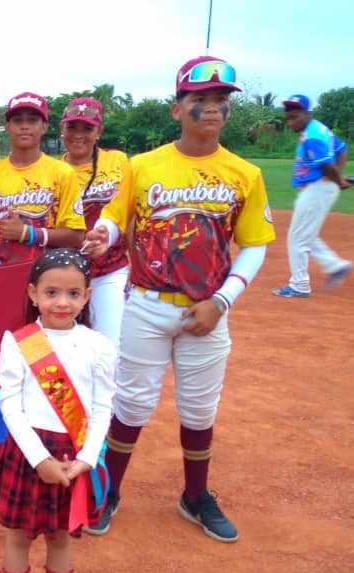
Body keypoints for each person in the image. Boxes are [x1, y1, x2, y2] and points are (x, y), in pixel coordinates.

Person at [84, 56, 276, 542]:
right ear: (177, 109)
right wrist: (105, 233)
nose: (211, 109)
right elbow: (114, 213)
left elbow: (254, 244)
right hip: (147, 303)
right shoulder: (143, 165)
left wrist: (224, 300)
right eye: (200, 101)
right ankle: (109, 491)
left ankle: (195, 496)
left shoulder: (244, 173)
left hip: (208, 308)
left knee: (199, 409)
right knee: (131, 403)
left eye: (220, 102)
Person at [0, 249, 116, 573]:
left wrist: (87, 457)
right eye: (52, 292)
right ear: (33, 293)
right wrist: (40, 460)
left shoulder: (98, 345)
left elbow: (102, 408)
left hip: (74, 455)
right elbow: (10, 405)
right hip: (30, 453)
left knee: (61, 536)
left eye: (73, 293)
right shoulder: (19, 342)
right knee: (19, 534)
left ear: (87, 297)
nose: (62, 302)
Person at [0, 93, 86, 266]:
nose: (24, 126)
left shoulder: (62, 172)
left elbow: (76, 235)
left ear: (44, 126)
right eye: (18, 120)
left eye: (32, 120)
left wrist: (27, 234)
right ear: (7, 126)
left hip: (48, 269)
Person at [59, 97, 132, 347]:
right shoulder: (53, 170)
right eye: (72, 127)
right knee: (66, 345)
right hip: (65, 273)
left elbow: (128, 211)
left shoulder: (118, 162)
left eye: (87, 129)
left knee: (109, 346)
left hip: (109, 269)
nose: (78, 135)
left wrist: (138, 266)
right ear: (62, 129)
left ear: (98, 132)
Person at [272, 94, 351, 297]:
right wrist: (338, 179)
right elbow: (342, 149)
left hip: (317, 189)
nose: (291, 121)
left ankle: (299, 285)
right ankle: (335, 266)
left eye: (295, 116)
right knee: (305, 235)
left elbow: (326, 164)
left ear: (307, 113)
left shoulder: (313, 136)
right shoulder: (318, 128)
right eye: (288, 117)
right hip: (320, 187)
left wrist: (337, 179)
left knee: (297, 238)